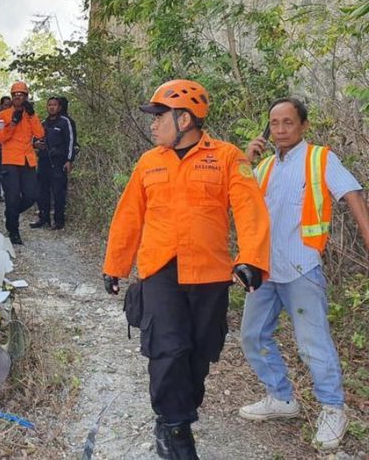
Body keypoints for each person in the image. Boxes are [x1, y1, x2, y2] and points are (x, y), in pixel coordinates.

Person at [101, 79, 270, 460]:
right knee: (168, 349)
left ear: (185, 119)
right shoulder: (149, 162)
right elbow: (129, 216)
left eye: (159, 116)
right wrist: (116, 264)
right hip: (160, 269)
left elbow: (249, 209)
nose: (153, 124)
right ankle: (172, 427)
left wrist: (252, 259)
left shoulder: (227, 157)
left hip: (209, 271)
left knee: (200, 352)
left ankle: (181, 411)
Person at [238, 97, 369, 450]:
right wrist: (245, 162)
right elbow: (237, 203)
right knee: (252, 336)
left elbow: (352, 194)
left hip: (301, 268)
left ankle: (332, 408)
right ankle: (281, 398)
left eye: (288, 123)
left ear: (303, 126)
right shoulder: (263, 167)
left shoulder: (320, 158)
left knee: (313, 343)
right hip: (265, 271)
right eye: (274, 123)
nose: (280, 130)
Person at [0, 81, 44, 245]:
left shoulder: (30, 114)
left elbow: (40, 133)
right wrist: (13, 123)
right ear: (11, 97)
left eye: (21, 95)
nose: (18, 98)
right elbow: (0, 138)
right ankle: (13, 231)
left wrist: (31, 116)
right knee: (12, 196)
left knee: (31, 195)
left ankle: (11, 214)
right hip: (10, 161)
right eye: (15, 95)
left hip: (27, 160)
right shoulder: (3, 115)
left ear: (26, 97)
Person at [31, 97, 75, 230]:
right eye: (49, 105)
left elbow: (71, 142)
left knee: (58, 193)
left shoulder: (65, 122)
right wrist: (36, 144)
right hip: (44, 161)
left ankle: (59, 221)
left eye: (54, 105)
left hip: (58, 162)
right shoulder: (43, 123)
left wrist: (69, 160)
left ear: (59, 107)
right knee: (41, 191)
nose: (51, 107)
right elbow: (34, 138)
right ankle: (43, 218)